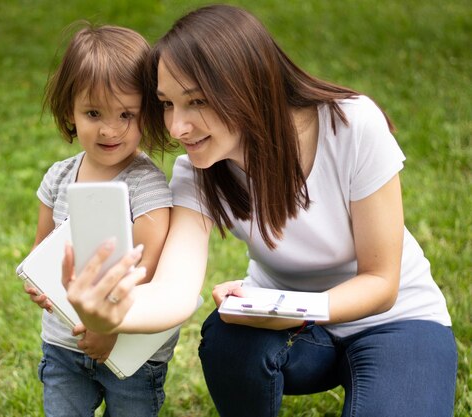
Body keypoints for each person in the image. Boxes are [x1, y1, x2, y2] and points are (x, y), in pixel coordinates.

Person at [61, 5, 458, 417]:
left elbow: (380, 281)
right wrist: (113, 315)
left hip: (397, 320)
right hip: (289, 330)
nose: (177, 127)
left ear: (246, 86)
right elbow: (174, 289)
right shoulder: (196, 173)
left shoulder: (352, 125)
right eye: (166, 104)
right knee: (227, 339)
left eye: (196, 101)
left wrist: (290, 309)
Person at [23, 23, 176, 417]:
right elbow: (43, 246)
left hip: (130, 350)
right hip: (64, 344)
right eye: (93, 113)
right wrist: (41, 285)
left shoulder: (147, 186)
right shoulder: (59, 176)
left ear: (149, 114)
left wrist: (109, 332)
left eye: (127, 114)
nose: (110, 129)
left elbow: (148, 269)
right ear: (69, 110)